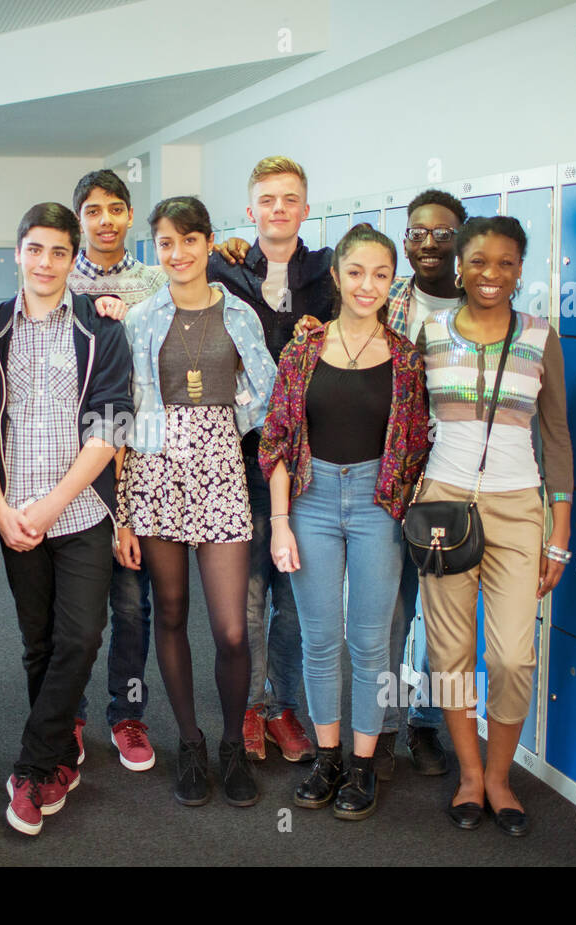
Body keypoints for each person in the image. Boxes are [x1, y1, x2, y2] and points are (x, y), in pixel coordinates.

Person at [0, 202, 133, 837]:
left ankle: (32, 767)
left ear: (71, 256)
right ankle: (59, 753)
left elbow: (111, 428)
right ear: (18, 253)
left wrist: (51, 503)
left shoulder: (101, 329)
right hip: (12, 514)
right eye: (35, 249)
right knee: (38, 643)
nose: (46, 262)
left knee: (81, 636)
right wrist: (0, 508)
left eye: (60, 251)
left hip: (80, 508)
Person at [259, 223, 430, 819]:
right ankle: (326, 757)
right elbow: (277, 442)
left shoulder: (407, 358)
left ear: (392, 281)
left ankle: (363, 765)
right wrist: (280, 523)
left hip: (378, 502)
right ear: (335, 276)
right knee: (321, 637)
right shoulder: (303, 349)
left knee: (371, 640)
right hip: (310, 500)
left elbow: (413, 449)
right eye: (355, 272)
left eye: (381, 274)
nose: (367, 285)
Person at [414, 215, 572, 837]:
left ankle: (503, 777)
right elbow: (402, 425)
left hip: (518, 509)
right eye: (479, 261)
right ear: (460, 265)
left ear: (520, 271)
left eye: (506, 263)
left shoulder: (539, 336)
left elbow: (557, 436)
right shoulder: (428, 334)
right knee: (450, 653)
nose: (491, 274)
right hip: (443, 507)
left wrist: (559, 532)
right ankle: (471, 777)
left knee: (511, 657)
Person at [116, 196, 276, 807]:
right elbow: (128, 409)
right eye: (164, 243)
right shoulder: (141, 317)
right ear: (154, 249)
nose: (177, 253)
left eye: (188, 240)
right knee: (173, 613)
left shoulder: (238, 313)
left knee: (233, 629)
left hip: (217, 469)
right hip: (153, 470)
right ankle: (190, 742)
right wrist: (123, 513)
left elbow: (265, 388)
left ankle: (234, 742)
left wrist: (220, 425)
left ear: (209, 243)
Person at [207, 156, 330, 763]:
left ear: (306, 209)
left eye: (290, 199)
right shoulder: (224, 269)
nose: (278, 209)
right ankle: (250, 707)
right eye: (267, 200)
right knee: (250, 587)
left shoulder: (331, 273)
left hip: (314, 459)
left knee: (294, 594)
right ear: (250, 210)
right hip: (244, 456)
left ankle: (283, 705)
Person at [67, 168, 168, 772]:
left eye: (116, 208)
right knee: (76, 608)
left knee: (132, 601)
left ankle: (127, 714)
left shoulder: (156, 279)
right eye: (93, 210)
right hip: (73, 457)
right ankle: (69, 714)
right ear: (79, 218)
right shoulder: (60, 277)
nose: (105, 219)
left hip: (142, 455)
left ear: (131, 216)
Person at [375, 188, 470, 778]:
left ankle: (427, 724)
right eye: (416, 232)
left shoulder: (478, 312)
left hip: (452, 481)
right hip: (391, 481)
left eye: (441, 233)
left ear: (460, 239)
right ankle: (383, 728)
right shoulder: (383, 305)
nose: (428, 243)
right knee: (389, 610)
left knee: (443, 616)